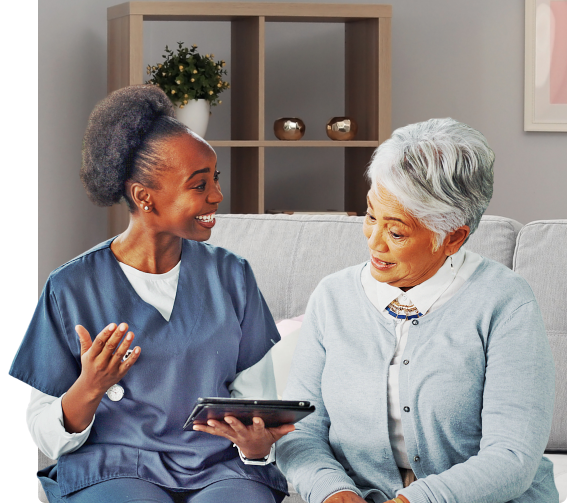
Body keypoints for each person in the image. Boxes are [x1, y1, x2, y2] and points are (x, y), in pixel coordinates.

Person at [11, 85, 293, 503]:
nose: (216, 196)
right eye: (199, 185)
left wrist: (256, 445)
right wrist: (89, 386)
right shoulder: (71, 287)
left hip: (218, 468)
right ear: (144, 196)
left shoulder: (233, 275)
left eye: (215, 178)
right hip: (113, 468)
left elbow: (257, 402)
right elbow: (45, 436)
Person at [275, 118, 558, 503]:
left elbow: (512, 457)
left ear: (453, 237)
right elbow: (300, 432)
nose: (374, 241)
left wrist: (416, 500)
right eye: (371, 216)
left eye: (396, 232)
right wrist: (333, 492)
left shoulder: (505, 303)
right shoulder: (333, 297)